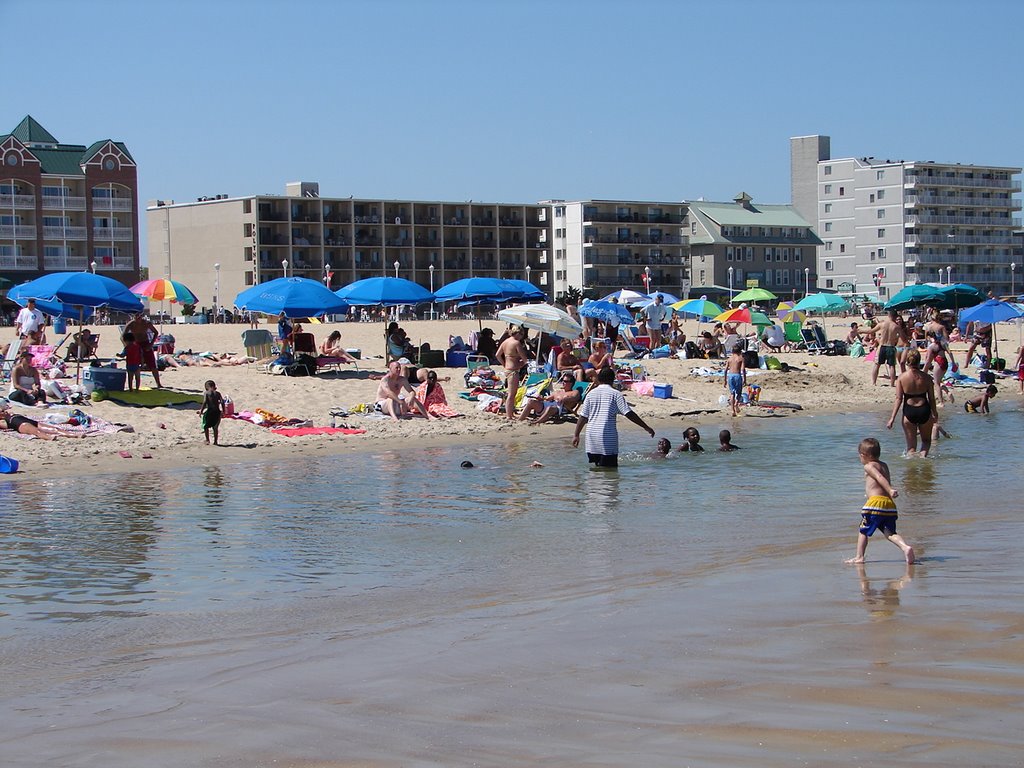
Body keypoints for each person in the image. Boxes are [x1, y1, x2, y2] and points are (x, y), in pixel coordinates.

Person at [845, 437, 915, 564]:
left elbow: (879, 477)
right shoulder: (884, 465)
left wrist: (890, 489)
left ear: (863, 455)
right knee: (890, 532)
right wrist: (888, 492)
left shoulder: (868, 466)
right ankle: (905, 547)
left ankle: (859, 557)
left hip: (875, 504)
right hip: (888, 505)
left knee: (863, 531)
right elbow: (882, 478)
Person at [572, 366, 655, 468]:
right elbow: (629, 413)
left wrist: (576, 434)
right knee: (610, 473)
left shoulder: (590, 394)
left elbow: (583, 417)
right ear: (613, 380)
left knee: (597, 470)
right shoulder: (615, 394)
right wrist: (646, 427)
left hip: (591, 438)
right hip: (607, 438)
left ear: (599, 378)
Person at [886, 348, 938, 457]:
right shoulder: (927, 378)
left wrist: (892, 418)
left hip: (909, 412)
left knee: (911, 447)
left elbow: (898, 399)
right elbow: (932, 399)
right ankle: (923, 458)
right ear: (919, 361)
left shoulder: (901, 378)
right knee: (926, 441)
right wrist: (935, 413)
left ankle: (912, 469)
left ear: (907, 362)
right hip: (924, 410)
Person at [496, 327, 529, 421]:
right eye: (522, 335)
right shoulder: (516, 343)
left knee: (511, 393)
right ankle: (509, 415)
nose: (521, 337)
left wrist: (504, 364)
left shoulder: (505, 341)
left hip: (507, 369)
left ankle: (510, 413)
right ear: (518, 333)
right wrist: (521, 364)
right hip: (514, 370)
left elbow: (497, 355)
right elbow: (525, 359)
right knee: (511, 394)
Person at [0, 404, 82, 440]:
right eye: (2, 412)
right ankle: (49, 438)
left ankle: (73, 435)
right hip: (21, 424)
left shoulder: (11, 414)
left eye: (3, 410)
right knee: (37, 432)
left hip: (29, 421)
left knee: (55, 429)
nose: (4, 411)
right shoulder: (3, 421)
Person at [125, 312, 162, 388]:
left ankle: (158, 383)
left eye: (139, 316)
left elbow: (156, 332)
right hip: (135, 344)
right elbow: (123, 335)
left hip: (146, 343)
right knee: (134, 365)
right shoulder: (131, 324)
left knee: (152, 364)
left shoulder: (146, 323)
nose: (138, 318)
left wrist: (151, 344)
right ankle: (132, 387)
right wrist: (127, 345)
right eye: (136, 316)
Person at [922, 330, 951, 406]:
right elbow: (949, 352)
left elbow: (928, 361)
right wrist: (954, 363)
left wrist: (923, 372)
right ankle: (948, 392)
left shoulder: (931, 346)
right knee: (939, 380)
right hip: (945, 362)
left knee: (936, 383)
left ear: (928, 337)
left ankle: (941, 402)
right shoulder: (942, 343)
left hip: (938, 362)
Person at [198, 379, 225, 445]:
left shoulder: (206, 393)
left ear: (207, 387)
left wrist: (201, 411)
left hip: (210, 411)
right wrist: (223, 411)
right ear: (214, 386)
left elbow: (204, 402)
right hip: (217, 412)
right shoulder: (218, 393)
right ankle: (215, 441)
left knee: (206, 426)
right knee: (215, 427)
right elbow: (222, 402)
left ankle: (207, 440)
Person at [724, 343, 746, 417]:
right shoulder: (741, 358)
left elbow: (725, 370)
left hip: (730, 376)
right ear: (740, 351)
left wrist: (725, 380)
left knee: (732, 394)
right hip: (737, 375)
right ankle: (736, 404)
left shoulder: (729, 359)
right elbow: (743, 369)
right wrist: (745, 379)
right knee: (739, 393)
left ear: (732, 352)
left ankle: (732, 410)